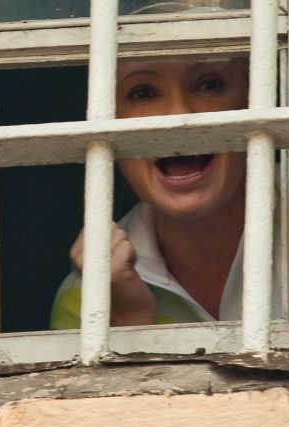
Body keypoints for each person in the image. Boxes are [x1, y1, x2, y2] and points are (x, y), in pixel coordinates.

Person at [50, 58, 249, 329]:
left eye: (208, 85)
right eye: (143, 93)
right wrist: (128, 322)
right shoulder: (87, 298)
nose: (178, 116)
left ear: (251, 100)